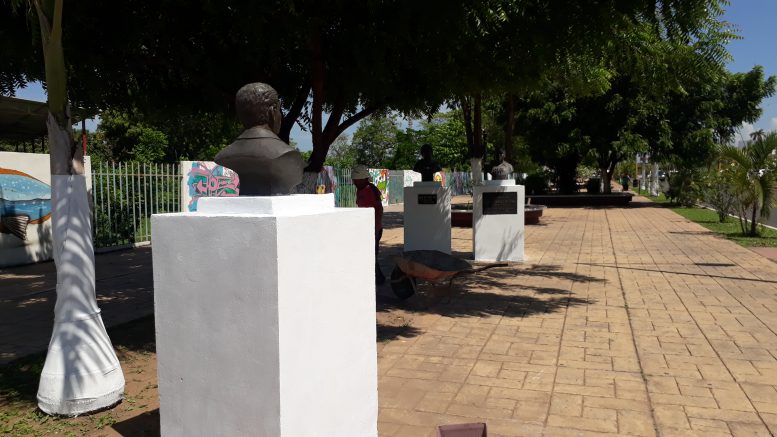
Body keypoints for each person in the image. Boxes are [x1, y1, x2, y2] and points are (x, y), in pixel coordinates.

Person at [352, 165, 386, 284]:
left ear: (363, 179)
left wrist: (374, 230)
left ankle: (377, 280)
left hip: (373, 229)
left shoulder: (369, 190)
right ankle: (378, 279)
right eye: (353, 180)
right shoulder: (362, 189)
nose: (354, 182)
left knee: (371, 256)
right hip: (368, 228)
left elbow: (377, 210)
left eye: (356, 180)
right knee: (370, 256)